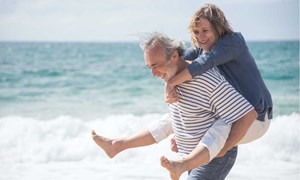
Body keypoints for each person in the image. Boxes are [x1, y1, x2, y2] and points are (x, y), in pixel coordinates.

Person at [91, 32, 258, 180]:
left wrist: (224, 149)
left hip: (215, 157)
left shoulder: (206, 78)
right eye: (149, 67)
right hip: (190, 157)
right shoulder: (170, 79)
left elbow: (248, 114)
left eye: (156, 65)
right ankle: (118, 145)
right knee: (167, 121)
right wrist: (182, 138)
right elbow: (187, 118)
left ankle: (120, 146)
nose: (153, 73)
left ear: (174, 56)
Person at [166, 3, 272, 156]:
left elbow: (205, 62)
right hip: (233, 115)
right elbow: (177, 64)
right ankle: (121, 144)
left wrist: (171, 83)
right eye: (196, 32)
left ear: (217, 27)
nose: (200, 37)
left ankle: (218, 151)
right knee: (168, 119)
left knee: (208, 129)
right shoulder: (202, 49)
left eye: (205, 30)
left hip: (256, 119)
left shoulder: (233, 41)